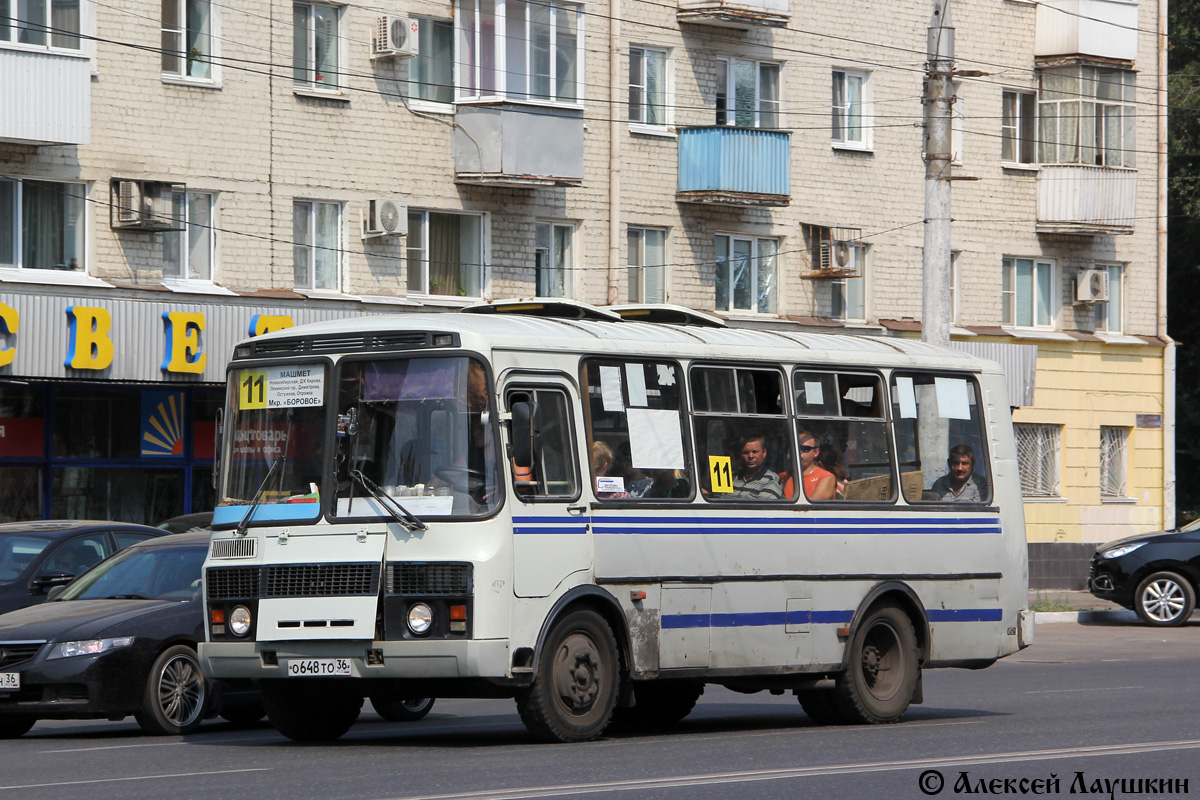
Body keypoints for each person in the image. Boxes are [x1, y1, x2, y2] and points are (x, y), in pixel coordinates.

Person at [731, 433, 784, 500]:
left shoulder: (771, 480)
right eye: (746, 452)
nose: (751, 456)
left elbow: (762, 509)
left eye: (755, 452)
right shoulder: (732, 477)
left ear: (764, 453)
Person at [798, 430, 836, 500]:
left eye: (805, 449)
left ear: (816, 452)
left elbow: (812, 506)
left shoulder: (826, 477)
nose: (799, 452)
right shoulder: (783, 477)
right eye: (796, 448)